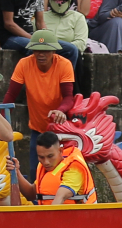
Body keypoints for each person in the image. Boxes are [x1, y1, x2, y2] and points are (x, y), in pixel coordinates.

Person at [5, 32, 75, 174]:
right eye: (37, 50)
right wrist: (0, 120)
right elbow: (11, 95)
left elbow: (69, 97)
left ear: (53, 51)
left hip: (59, 127)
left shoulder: (64, 64)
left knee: (61, 171)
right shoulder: (24, 64)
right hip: (37, 128)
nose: (41, 55)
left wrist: (61, 110)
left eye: (46, 51)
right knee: (34, 171)